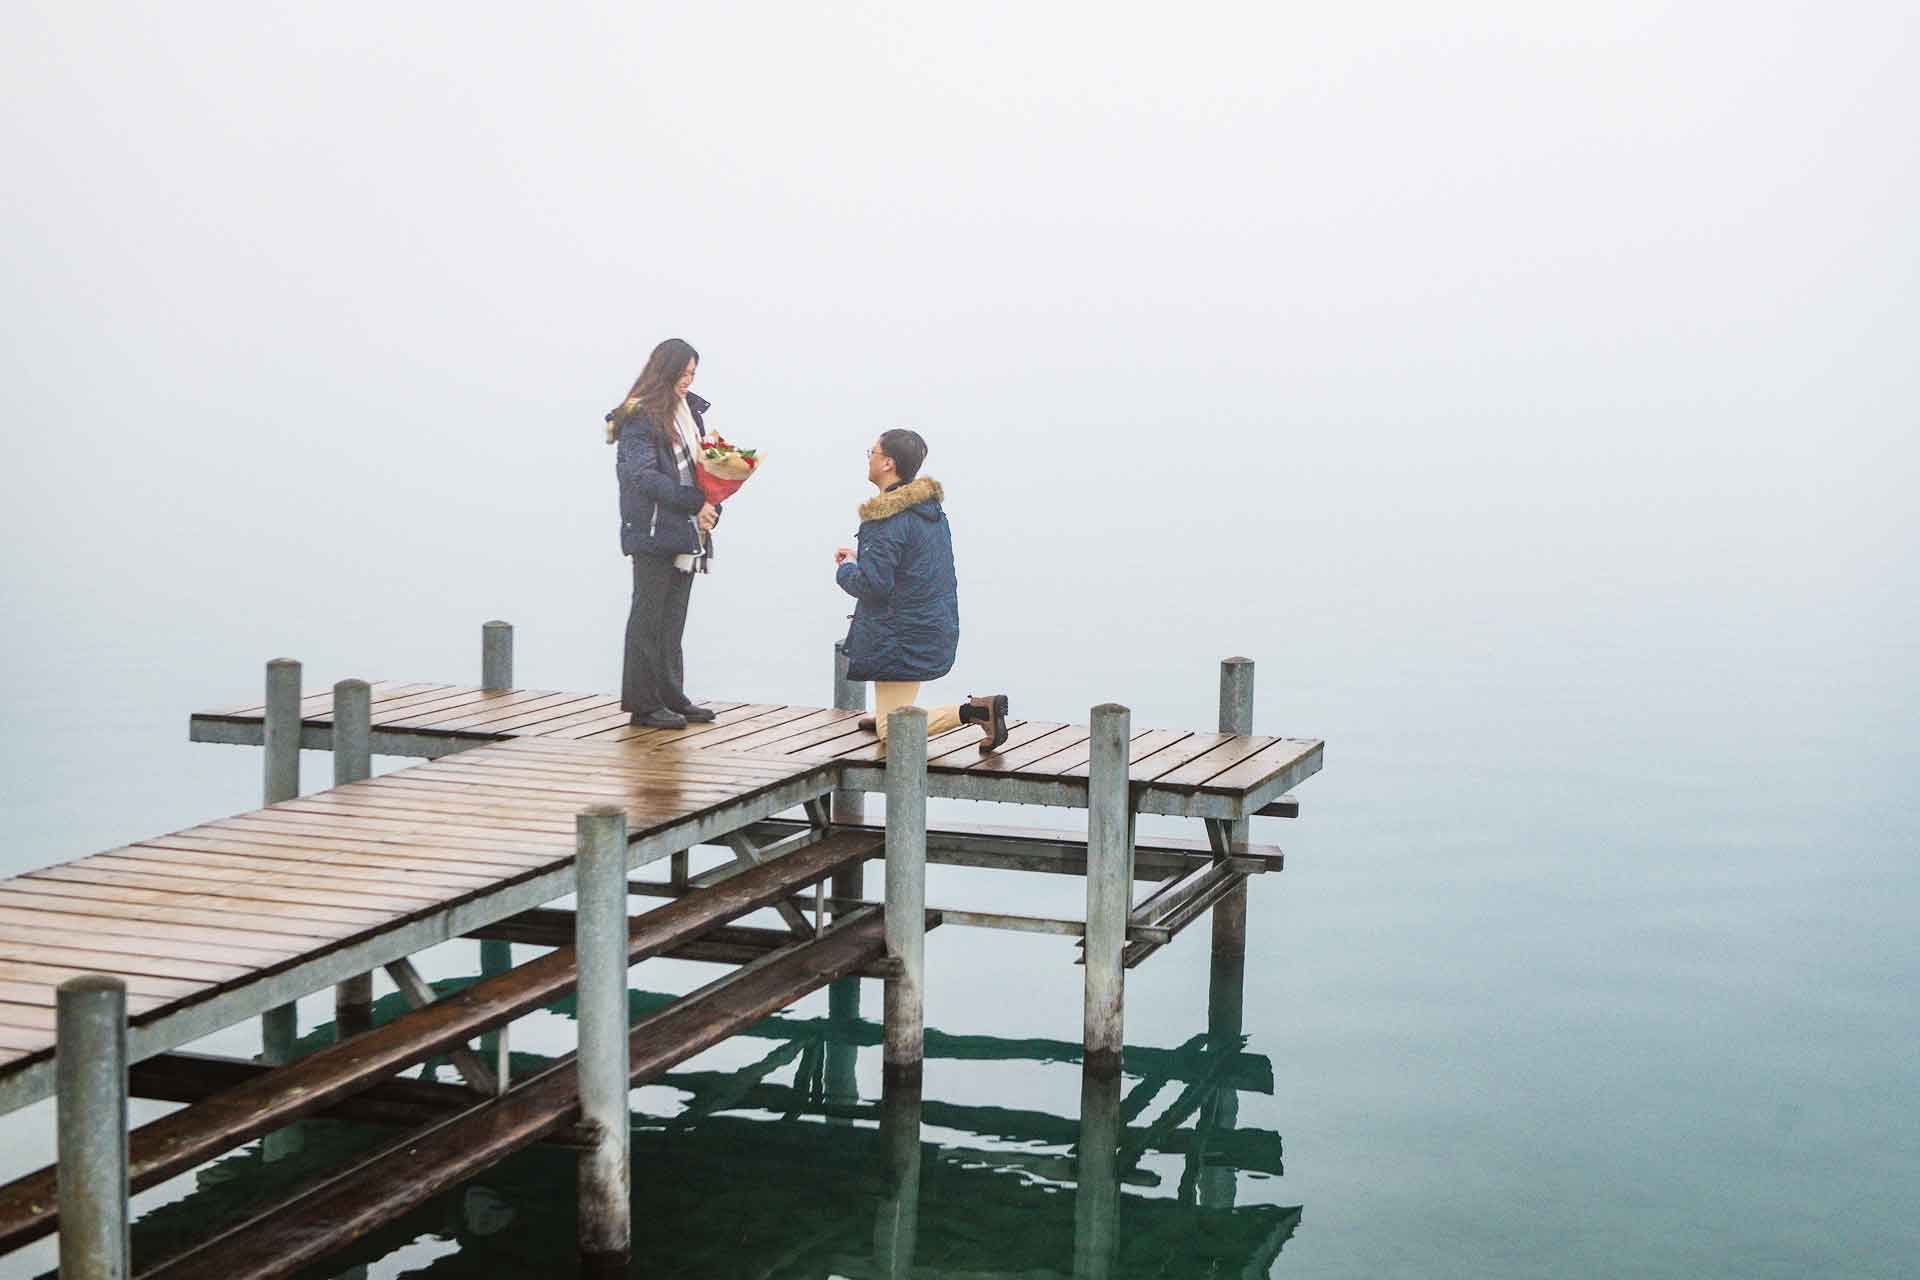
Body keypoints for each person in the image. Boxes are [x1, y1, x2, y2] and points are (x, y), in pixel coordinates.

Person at [835, 428, 1010, 752]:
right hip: (926, 624)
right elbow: (912, 564)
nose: (869, 459)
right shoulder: (926, 510)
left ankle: (976, 711)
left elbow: (874, 587)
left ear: (887, 463)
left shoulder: (884, 516)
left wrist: (846, 570)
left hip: (899, 636)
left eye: (871, 452)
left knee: (892, 733)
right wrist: (865, 557)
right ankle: (887, 711)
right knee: (888, 712)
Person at [607, 337, 722, 729]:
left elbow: (703, 468)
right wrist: (695, 502)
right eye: (682, 373)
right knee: (648, 617)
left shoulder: (690, 411)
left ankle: (671, 696)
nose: (688, 380)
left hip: (688, 529)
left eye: (693, 373)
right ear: (664, 371)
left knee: (673, 619)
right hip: (652, 528)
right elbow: (642, 477)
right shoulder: (639, 416)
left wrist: (712, 506)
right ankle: (644, 705)